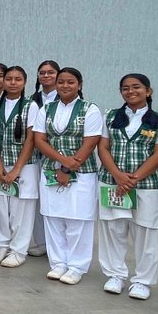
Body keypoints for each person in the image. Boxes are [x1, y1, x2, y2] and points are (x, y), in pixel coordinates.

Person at [96, 73, 158, 300]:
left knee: (146, 232)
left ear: (148, 91)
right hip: (112, 182)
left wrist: (133, 178)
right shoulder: (110, 116)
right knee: (113, 229)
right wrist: (119, 176)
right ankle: (115, 275)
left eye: (136, 87)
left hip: (148, 186)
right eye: (125, 88)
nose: (130, 92)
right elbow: (103, 148)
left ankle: (142, 281)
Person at [33, 67, 101, 285]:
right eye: (61, 82)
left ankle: (76, 266)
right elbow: (40, 139)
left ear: (79, 84)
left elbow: (90, 142)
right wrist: (62, 163)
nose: (64, 86)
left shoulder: (90, 109)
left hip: (81, 173)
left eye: (70, 82)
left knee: (77, 219)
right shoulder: (46, 109)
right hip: (51, 170)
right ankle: (58, 263)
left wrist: (69, 168)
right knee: (53, 217)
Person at [0, 66, 39, 268]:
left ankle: (18, 250)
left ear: (25, 82)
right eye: (8, 78)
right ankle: (2, 245)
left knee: (21, 210)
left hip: (24, 165)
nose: (12, 82)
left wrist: (17, 168)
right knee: (0, 207)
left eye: (17, 79)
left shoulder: (31, 106)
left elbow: (31, 139)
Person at [27, 59, 62, 257]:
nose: (46, 76)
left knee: (56, 200)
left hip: (59, 158)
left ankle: (56, 244)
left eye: (50, 72)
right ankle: (41, 242)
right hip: (35, 157)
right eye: (42, 72)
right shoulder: (33, 100)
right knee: (39, 201)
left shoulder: (67, 99)